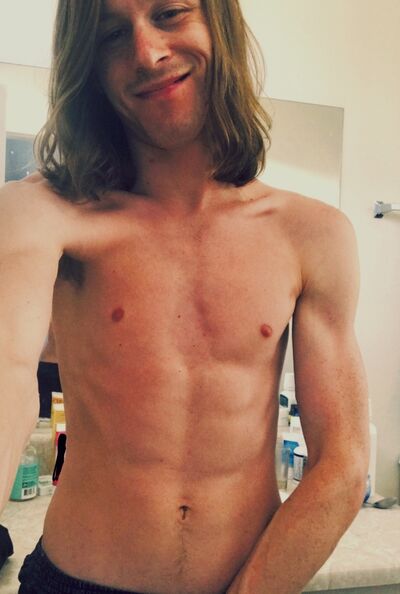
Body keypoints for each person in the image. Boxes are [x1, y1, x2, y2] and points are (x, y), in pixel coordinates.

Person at [0, 1, 370, 593]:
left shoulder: (312, 234)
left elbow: (343, 462)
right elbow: (6, 382)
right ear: (88, 65)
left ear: (218, 23)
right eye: (112, 35)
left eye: (170, 13)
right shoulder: (42, 215)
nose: (147, 54)